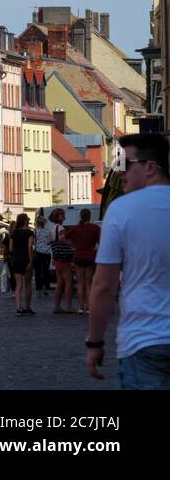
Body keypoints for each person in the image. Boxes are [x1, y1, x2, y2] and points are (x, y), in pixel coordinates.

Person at [87, 134, 170, 388]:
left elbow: (103, 285)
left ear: (150, 166)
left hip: (144, 339)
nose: (118, 173)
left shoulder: (122, 209)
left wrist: (95, 342)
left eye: (125, 164)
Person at [69, 208, 101, 315]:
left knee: (80, 283)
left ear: (80, 216)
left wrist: (74, 245)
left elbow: (64, 237)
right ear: (90, 216)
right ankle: (89, 307)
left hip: (78, 256)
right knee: (89, 283)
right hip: (90, 256)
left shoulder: (75, 228)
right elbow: (101, 241)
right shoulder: (95, 228)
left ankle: (80, 307)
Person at [46, 208, 76, 314]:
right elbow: (63, 239)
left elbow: (50, 241)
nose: (64, 215)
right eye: (61, 214)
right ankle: (68, 306)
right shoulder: (61, 228)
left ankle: (57, 306)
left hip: (57, 257)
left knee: (60, 283)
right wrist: (73, 245)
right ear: (57, 216)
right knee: (69, 282)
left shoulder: (53, 228)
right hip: (64, 258)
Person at [8, 212, 35, 316]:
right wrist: (31, 261)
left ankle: (18, 308)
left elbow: (10, 249)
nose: (29, 221)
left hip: (16, 260)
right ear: (25, 221)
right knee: (28, 285)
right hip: (26, 260)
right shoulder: (29, 232)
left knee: (18, 285)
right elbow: (29, 247)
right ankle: (28, 307)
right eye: (28, 219)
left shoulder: (13, 233)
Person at [32, 211, 52, 296]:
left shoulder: (35, 231)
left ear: (37, 223)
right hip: (47, 253)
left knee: (37, 272)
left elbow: (33, 242)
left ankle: (38, 290)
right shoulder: (48, 231)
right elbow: (50, 241)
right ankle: (45, 288)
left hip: (38, 253)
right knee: (46, 271)